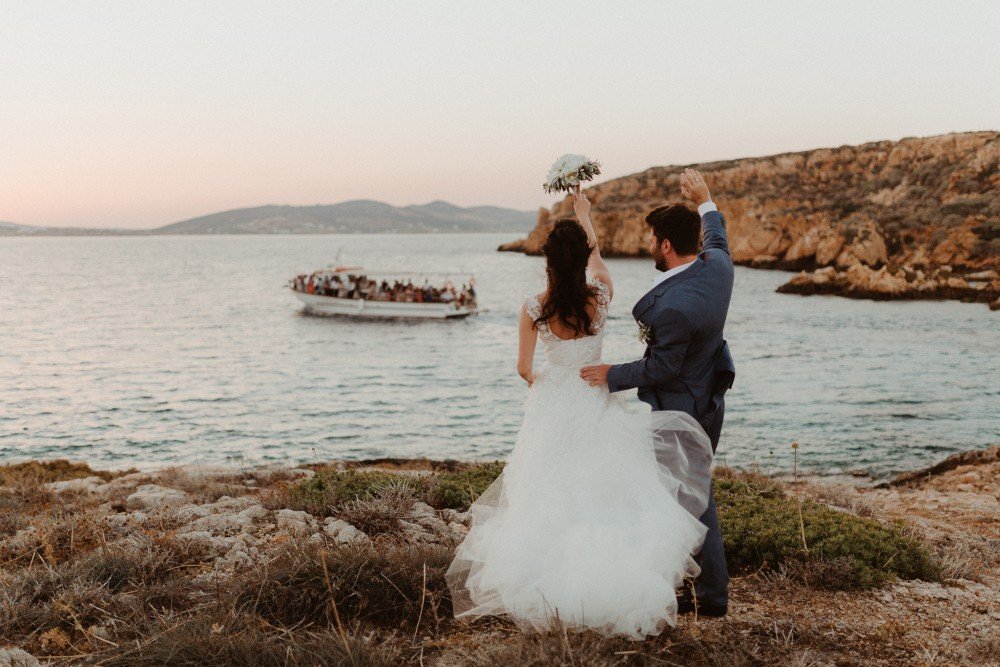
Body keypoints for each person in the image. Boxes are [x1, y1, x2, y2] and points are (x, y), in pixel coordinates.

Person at [446, 176, 716, 639]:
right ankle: (608, 582)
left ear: (549, 261)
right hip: (595, 397)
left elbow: (524, 369)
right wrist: (585, 217)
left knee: (545, 489)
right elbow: (599, 262)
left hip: (554, 405)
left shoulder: (533, 307)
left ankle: (546, 585)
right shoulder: (601, 297)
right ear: (580, 259)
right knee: (602, 490)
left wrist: (549, 383)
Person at [580, 169, 736, 617]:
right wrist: (705, 200)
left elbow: (661, 368)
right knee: (689, 491)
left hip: (682, 408)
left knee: (691, 499)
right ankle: (688, 581)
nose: (647, 244)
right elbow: (717, 236)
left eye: (651, 238)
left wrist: (610, 374)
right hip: (711, 396)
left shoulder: (672, 306)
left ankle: (710, 596)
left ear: (666, 245)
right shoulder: (718, 267)